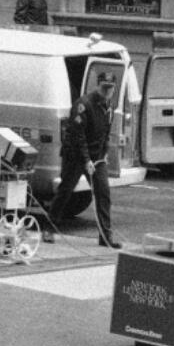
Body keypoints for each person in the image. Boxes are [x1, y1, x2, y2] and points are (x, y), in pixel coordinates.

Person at [50, 72, 121, 249]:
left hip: (97, 157)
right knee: (65, 191)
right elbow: (77, 135)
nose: (107, 91)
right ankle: (50, 228)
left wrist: (103, 154)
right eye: (104, 87)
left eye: (110, 88)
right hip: (75, 155)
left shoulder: (109, 106)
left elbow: (106, 132)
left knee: (103, 193)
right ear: (98, 85)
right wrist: (86, 160)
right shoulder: (83, 104)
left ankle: (105, 236)